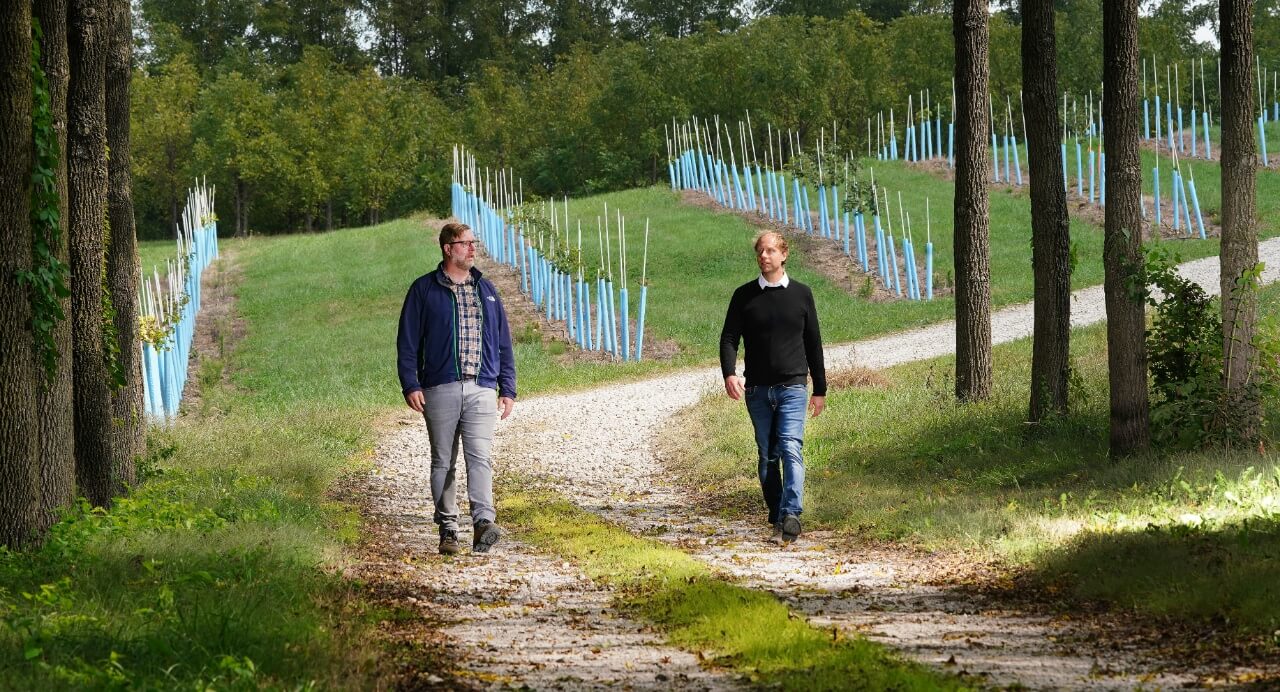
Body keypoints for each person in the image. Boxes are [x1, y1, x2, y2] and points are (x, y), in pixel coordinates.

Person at [397, 222, 517, 555]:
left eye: (472, 243)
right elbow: (407, 343)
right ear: (448, 249)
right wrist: (411, 383)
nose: (472, 249)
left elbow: (503, 343)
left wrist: (507, 387)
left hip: (482, 387)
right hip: (439, 388)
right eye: (465, 244)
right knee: (443, 462)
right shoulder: (423, 290)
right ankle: (448, 528)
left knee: (481, 458)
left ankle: (482, 524)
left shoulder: (486, 290)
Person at [719, 231, 826, 545]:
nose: (764, 256)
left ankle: (792, 512)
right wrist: (730, 374)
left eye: (770, 251)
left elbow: (814, 343)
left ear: (784, 254)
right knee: (769, 455)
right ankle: (778, 511)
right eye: (760, 251)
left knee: (791, 447)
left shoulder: (802, 294)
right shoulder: (744, 296)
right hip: (758, 391)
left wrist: (819, 388)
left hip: (793, 386)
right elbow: (728, 339)